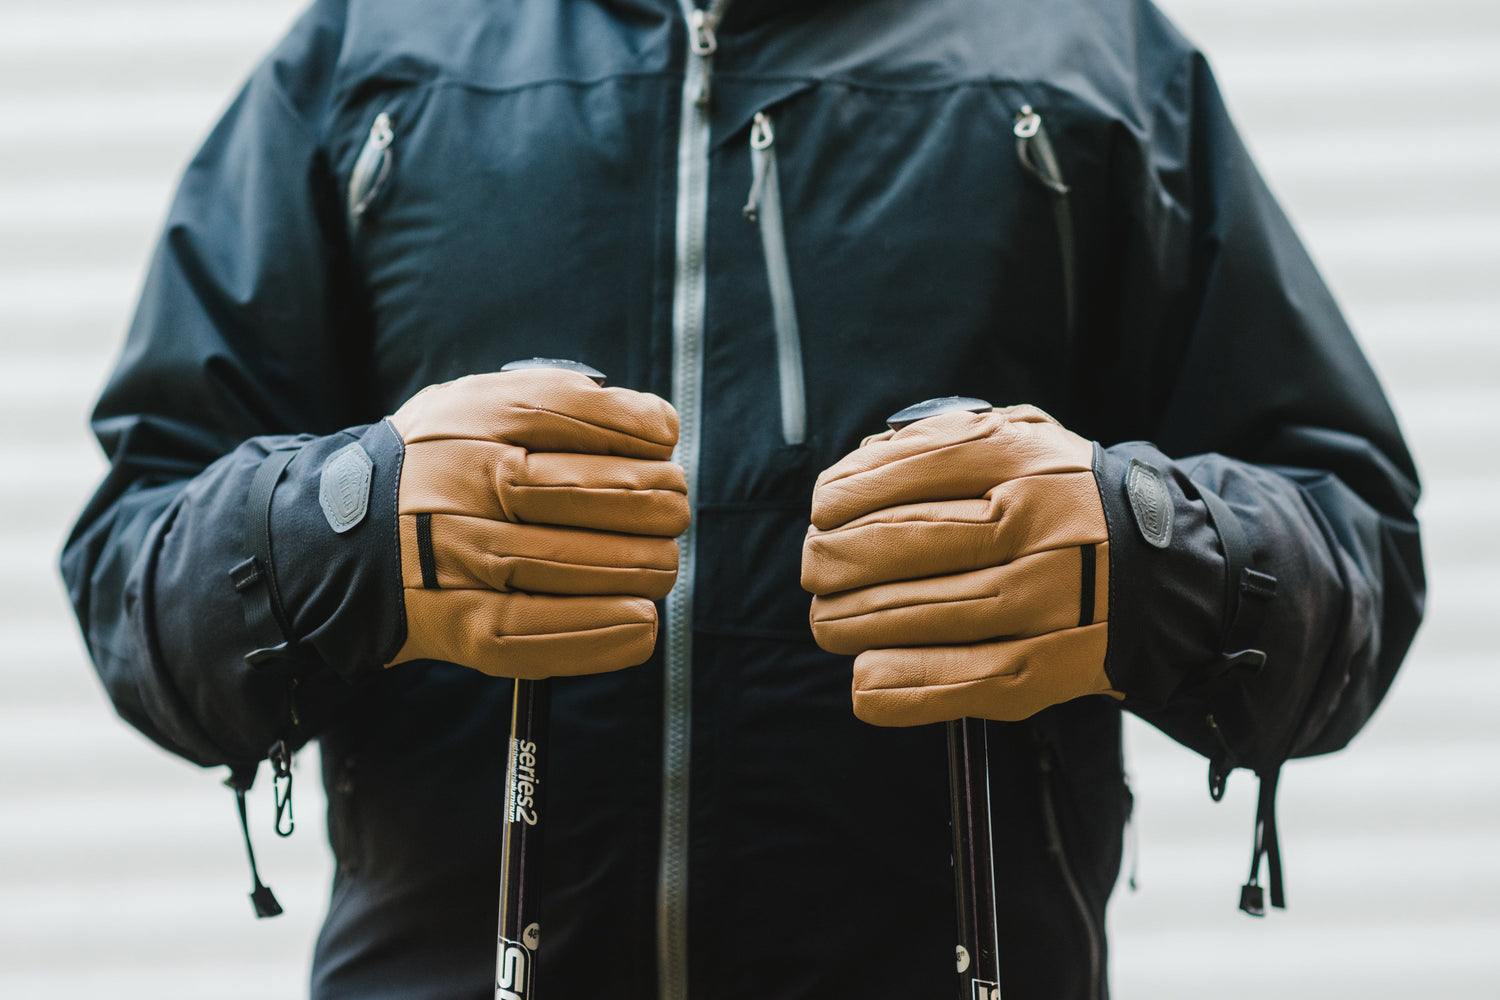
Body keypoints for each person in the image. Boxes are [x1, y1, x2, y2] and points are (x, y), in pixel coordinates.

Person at [61, 0, 1425, 997]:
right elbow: (138, 583)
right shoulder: (369, 57)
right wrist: (351, 530)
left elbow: (1356, 562)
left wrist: (1140, 557)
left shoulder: (1095, 59)